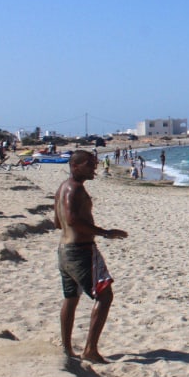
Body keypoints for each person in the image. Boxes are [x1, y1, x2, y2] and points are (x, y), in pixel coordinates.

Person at [54, 150, 128, 362]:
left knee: (71, 298)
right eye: (90, 164)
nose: (94, 168)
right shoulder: (74, 189)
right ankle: (90, 350)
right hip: (80, 250)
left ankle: (67, 348)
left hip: (64, 250)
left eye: (95, 164)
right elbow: (71, 219)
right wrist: (104, 232)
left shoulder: (62, 188)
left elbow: (58, 222)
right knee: (104, 296)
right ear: (75, 166)